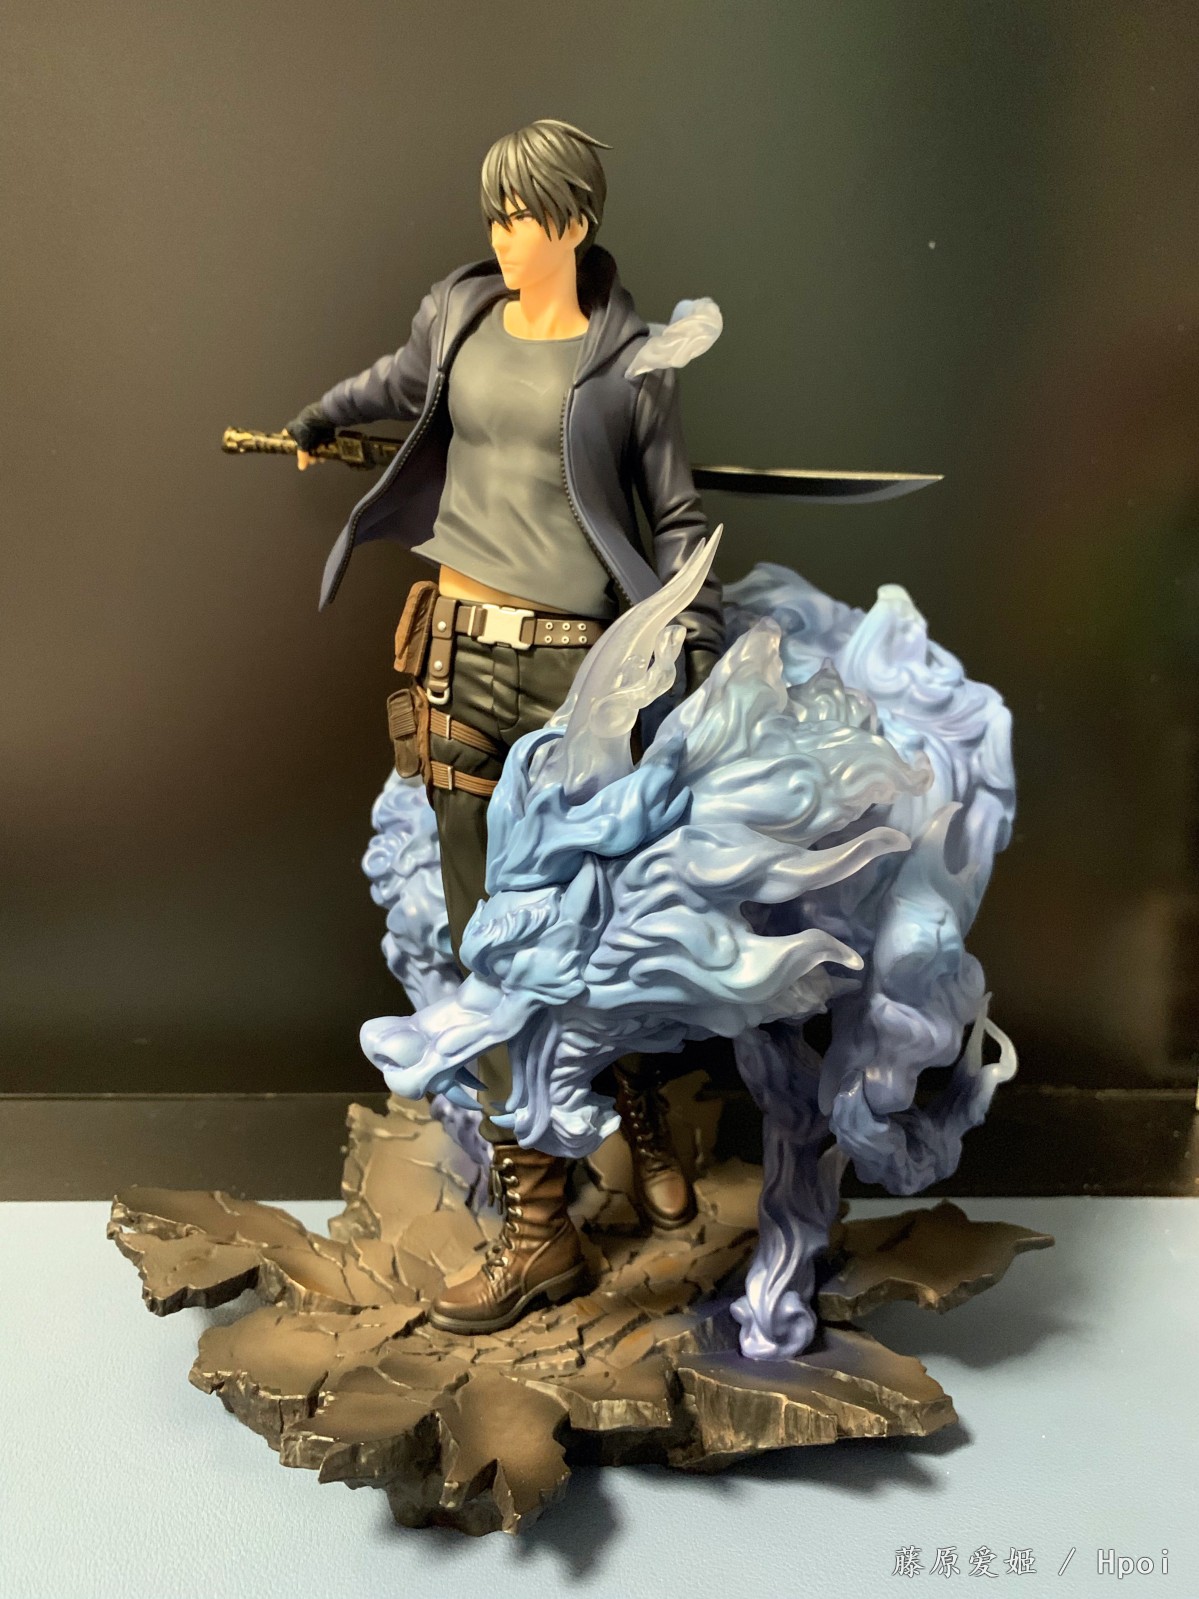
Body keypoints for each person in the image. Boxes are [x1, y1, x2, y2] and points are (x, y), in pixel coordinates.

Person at [285, 118, 724, 1335]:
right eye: (492, 215)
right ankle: (539, 1228)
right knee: (489, 946)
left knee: (592, 924)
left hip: (582, 680)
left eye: (519, 218)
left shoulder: (631, 363)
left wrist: (692, 638)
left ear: (572, 223)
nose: (499, 236)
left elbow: (677, 522)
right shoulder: (459, 315)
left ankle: (632, 1109)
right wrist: (318, 418)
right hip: (459, 662)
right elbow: (392, 386)